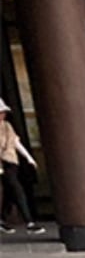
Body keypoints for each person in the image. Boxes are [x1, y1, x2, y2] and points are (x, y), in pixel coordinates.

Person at [0, 97, 45, 235]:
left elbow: (16, 142)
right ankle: (29, 221)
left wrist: (28, 158)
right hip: (2, 162)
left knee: (10, 191)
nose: (3, 115)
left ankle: (3, 220)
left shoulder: (7, 126)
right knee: (15, 188)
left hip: (11, 161)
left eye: (3, 112)